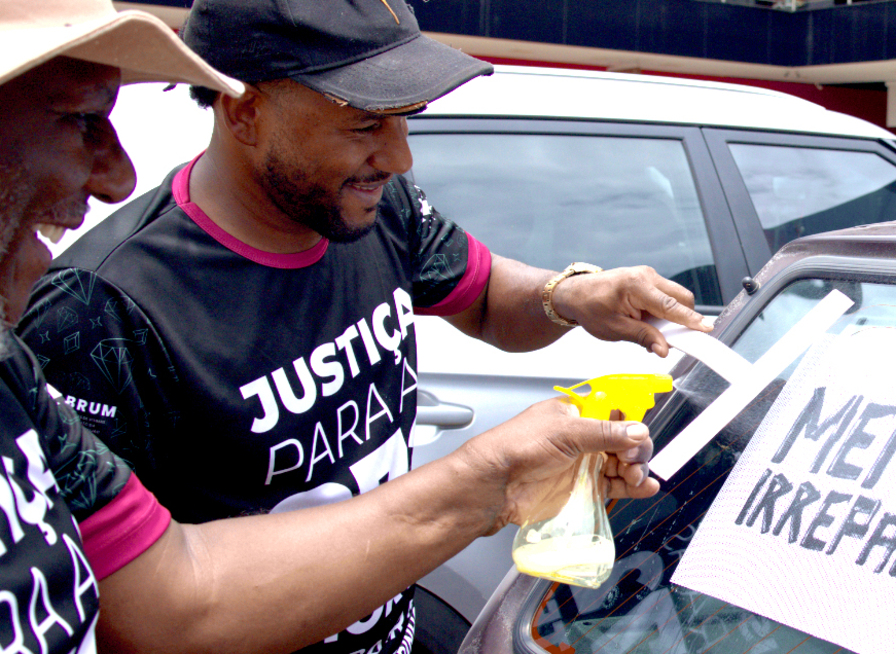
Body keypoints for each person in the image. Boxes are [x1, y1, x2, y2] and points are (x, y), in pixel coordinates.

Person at [17, 0, 713, 652]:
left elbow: (487, 296)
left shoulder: (374, 209)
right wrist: (486, 481)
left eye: (404, 119)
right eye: (365, 123)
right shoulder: (96, 311)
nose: (400, 157)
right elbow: (131, 609)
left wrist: (573, 295)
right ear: (245, 109)